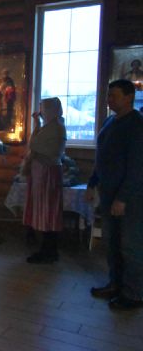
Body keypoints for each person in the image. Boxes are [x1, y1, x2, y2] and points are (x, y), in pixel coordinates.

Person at [87, 79, 143, 310]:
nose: (109, 100)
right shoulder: (110, 121)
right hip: (109, 193)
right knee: (112, 242)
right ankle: (115, 284)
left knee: (130, 245)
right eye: (108, 95)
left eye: (114, 96)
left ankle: (134, 293)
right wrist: (92, 182)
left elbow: (137, 166)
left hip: (130, 198)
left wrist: (123, 198)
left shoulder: (137, 125)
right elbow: (102, 156)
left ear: (129, 97)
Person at [21, 97, 67, 264]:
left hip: (47, 174)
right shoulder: (50, 126)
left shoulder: (56, 127)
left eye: (43, 109)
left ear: (51, 110)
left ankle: (48, 251)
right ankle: (47, 249)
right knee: (45, 211)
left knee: (47, 212)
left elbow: (34, 144)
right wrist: (37, 124)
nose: (41, 112)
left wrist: (36, 126)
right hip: (42, 173)